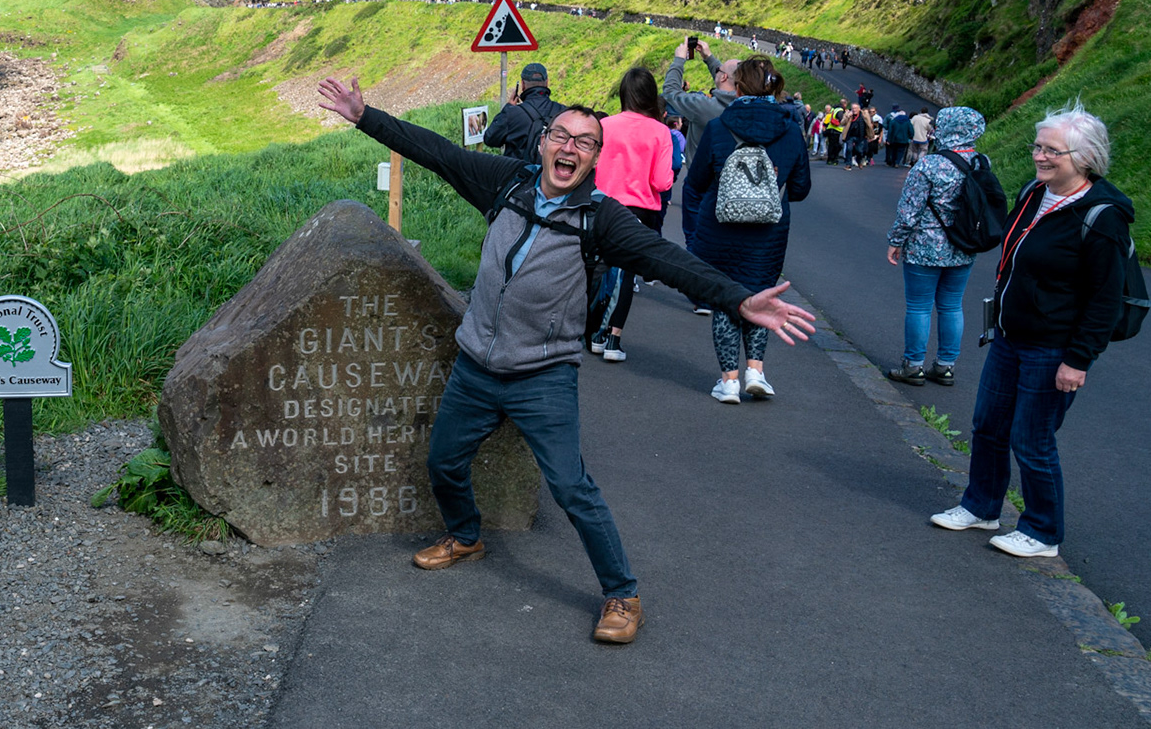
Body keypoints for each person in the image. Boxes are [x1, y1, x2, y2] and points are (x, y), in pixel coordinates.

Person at [315, 75, 816, 643]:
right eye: (561, 135)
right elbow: (439, 153)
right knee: (443, 462)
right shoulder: (507, 184)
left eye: (584, 141)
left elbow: (665, 258)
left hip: (543, 375)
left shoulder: (601, 219)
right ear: (542, 143)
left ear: (595, 158)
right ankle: (466, 535)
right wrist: (366, 117)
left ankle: (623, 596)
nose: (570, 147)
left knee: (572, 487)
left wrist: (739, 298)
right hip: (476, 365)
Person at [930, 100, 1131, 558]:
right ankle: (981, 506)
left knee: (1032, 439)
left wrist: (1078, 360)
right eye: (1038, 147)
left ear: (1083, 159)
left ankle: (1042, 532)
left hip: (1054, 346)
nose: (1039, 156)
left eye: (1051, 151)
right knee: (988, 426)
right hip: (1011, 335)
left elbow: (1105, 298)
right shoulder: (1034, 193)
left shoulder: (1103, 216)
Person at [684, 57, 813, 403]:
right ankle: (756, 372)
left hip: (719, 227)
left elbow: (695, 183)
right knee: (761, 294)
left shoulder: (718, 126)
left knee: (728, 299)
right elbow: (800, 189)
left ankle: (728, 382)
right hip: (768, 232)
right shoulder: (790, 130)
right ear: (775, 88)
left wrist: (697, 227)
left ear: (737, 87)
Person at [884, 108, 988, 386]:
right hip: (964, 245)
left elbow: (909, 212)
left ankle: (913, 365)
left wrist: (896, 241)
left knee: (919, 307)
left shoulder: (929, 165)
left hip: (925, 247)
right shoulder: (981, 162)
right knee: (952, 306)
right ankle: (945, 365)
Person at [589, 67, 674, 362]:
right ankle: (612, 338)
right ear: (650, 96)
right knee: (625, 274)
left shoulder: (605, 126)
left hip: (602, 204)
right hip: (640, 210)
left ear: (624, 94)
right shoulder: (661, 132)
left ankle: (592, 330)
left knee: (597, 267)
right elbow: (662, 182)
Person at [662, 39, 738, 314]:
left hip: (702, 179)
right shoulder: (744, 104)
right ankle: (725, 287)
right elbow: (729, 83)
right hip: (734, 182)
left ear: (724, 77)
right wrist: (710, 60)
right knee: (726, 237)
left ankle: (702, 294)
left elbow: (671, 93)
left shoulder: (706, 107)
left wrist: (679, 59)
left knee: (695, 235)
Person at [482, 62, 567, 160]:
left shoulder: (511, 113)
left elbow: (490, 139)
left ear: (522, 85)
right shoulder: (563, 112)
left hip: (517, 173)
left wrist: (508, 107)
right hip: (550, 174)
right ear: (547, 82)